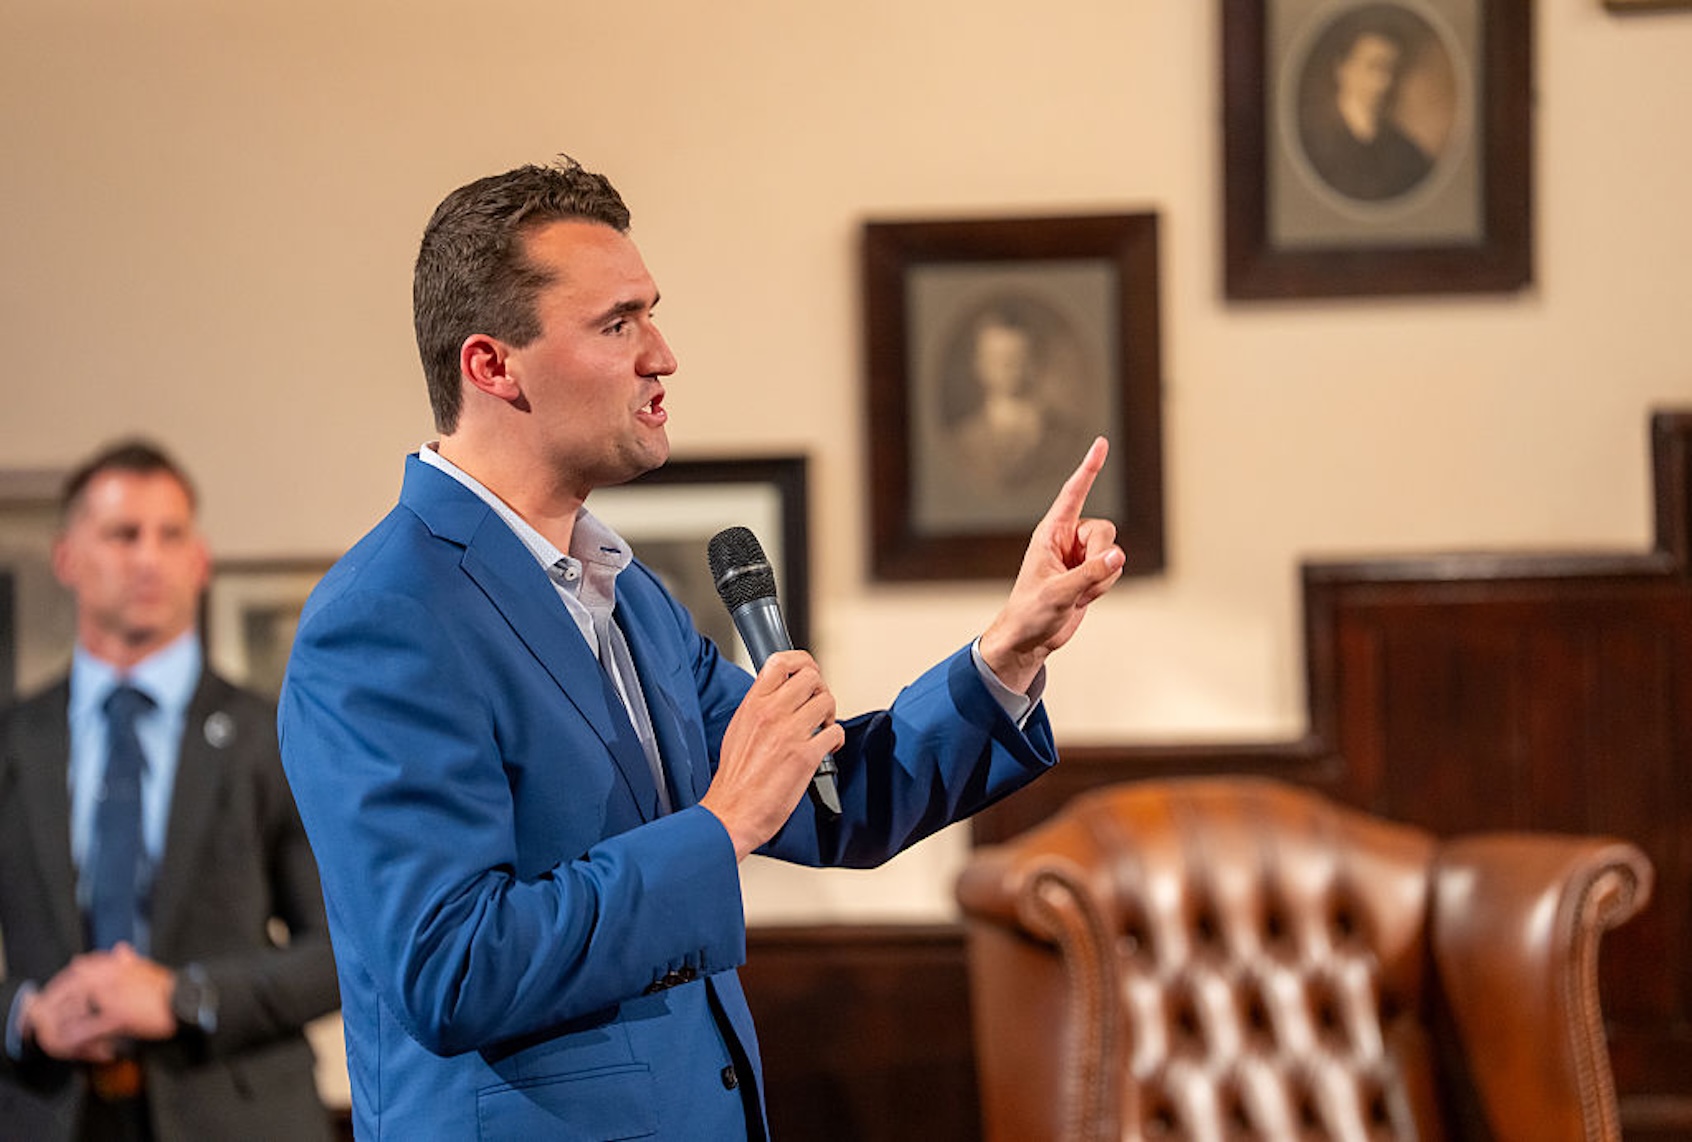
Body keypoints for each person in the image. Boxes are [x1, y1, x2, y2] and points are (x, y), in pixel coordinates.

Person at [277, 155, 1126, 1141]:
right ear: (493, 366)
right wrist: (720, 826)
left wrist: (1009, 652)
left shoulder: (634, 597)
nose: (663, 355)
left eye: (652, 315)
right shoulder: (385, 617)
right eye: (618, 324)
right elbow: (454, 967)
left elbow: (834, 804)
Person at [0, 441, 340, 1141]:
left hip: (238, 1113)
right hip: (48, 1111)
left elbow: (343, 947)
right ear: (67, 558)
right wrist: (24, 1013)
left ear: (199, 560)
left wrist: (186, 997)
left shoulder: (273, 736)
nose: (149, 559)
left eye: (171, 534)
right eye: (124, 535)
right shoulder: (14, 741)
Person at [1297, 17, 1435, 202]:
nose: (1385, 82)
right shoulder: (1310, 144)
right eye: (1373, 67)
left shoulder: (1409, 156)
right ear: (1342, 69)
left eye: (1392, 70)